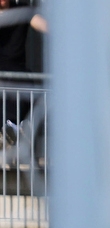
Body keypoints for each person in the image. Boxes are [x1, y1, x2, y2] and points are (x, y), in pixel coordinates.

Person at [0, 0, 46, 163]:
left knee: (23, 88)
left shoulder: (22, 10)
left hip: (16, 74)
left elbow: (42, 24)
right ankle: (10, 131)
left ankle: (11, 129)